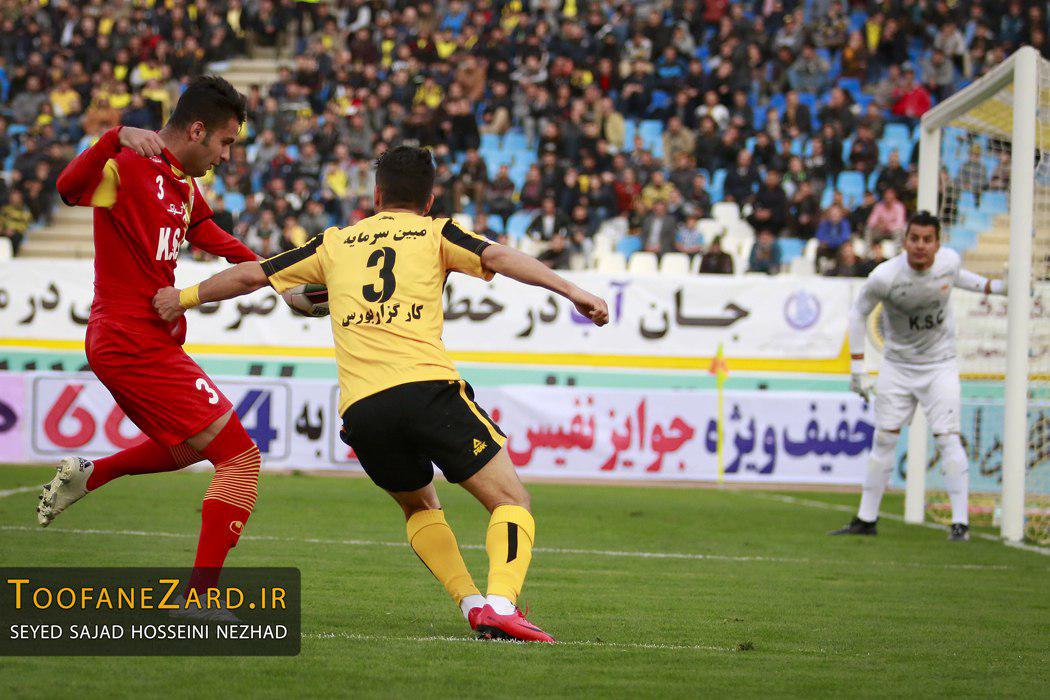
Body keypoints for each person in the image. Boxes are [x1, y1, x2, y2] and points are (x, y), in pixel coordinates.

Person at [152, 146, 610, 642]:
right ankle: (501, 603)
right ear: (429, 200)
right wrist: (574, 291)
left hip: (363, 410)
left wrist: (182, 297)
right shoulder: (436, 233)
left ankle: (472, 605)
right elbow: (497, 255)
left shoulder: (334, 242)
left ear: (376, 195)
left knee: (420, 508)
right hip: (427, 389)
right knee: (511, 499)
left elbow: (251, 275)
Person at [42, 76, 261, 609]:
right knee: (241, 459)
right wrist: (113, 135)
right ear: (196, 130)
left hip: (149, 340)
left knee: (189, 446)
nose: (226, 156)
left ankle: (91, 474)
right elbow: (68, 188)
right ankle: (199, 602)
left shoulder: (183, 185)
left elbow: (211, 236)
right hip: (127, 338)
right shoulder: (126, 163)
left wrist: (269, 270)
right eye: (225, 142)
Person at [830, 212, 1007, 541]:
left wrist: (996, 287)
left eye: (928, 240)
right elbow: (858, 314)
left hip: (940, 365)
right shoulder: (884, 277)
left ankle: (960, 523)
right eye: (915, 239)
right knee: (884, 438)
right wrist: (856, 369)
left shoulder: (949, 262)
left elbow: (960, 277)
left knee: (947, 437)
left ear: (938, 244)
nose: (921, 246)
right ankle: (866, 519)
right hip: (897, 366)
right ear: (905, 242)